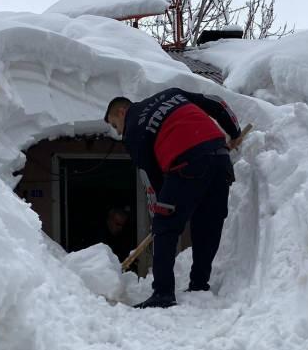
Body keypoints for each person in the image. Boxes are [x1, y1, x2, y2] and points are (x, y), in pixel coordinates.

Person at [104, 88, 242, 309]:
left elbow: (153, 172)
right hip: (220, 159)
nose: (119, 132)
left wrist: (165, 209)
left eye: (114, 125)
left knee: (165, 228)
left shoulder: (133, 131)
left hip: (185, 164)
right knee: (207, 223)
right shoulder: (170, 94)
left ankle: (163, 293)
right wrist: (234, 132)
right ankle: (199, 284)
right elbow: (215, 103)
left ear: (122, 112)